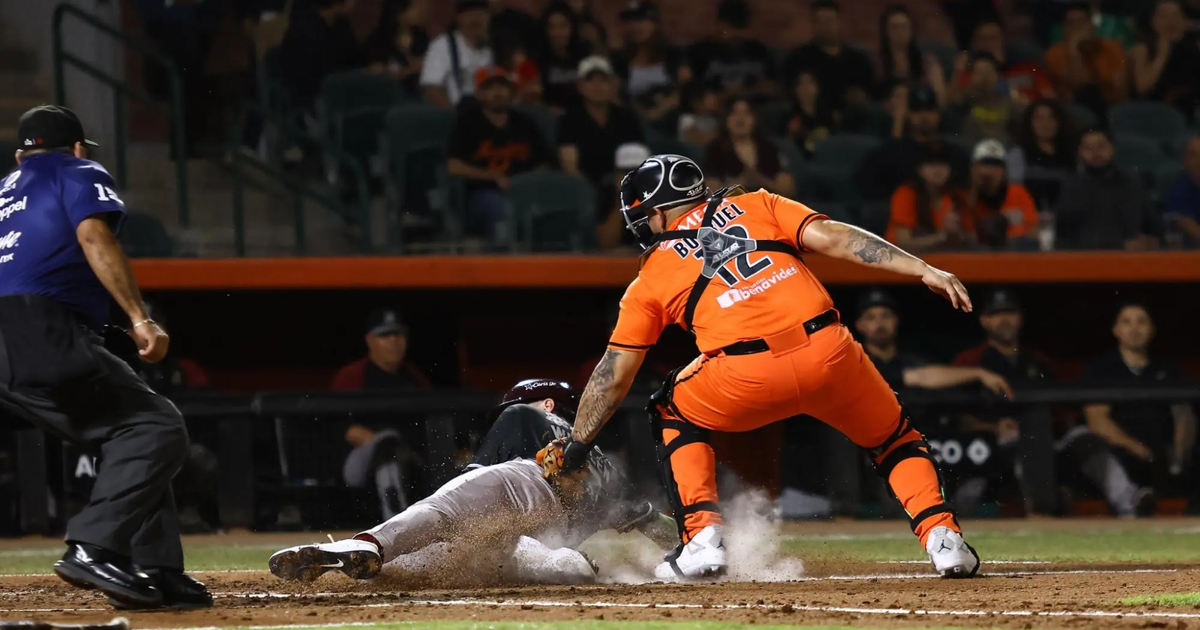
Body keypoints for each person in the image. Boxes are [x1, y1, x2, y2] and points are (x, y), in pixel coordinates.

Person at [540, 153, 982, 580]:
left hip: (744, 374)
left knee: (671, 409)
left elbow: (614, 375)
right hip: (829, 350)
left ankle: (702, 540)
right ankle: (944, 541)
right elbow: (838, 239)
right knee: (895, 440)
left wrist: (578, 446)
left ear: (656, 214)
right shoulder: (759, 203)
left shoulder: (651, 274)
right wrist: (921, 268)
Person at [0, 106, 210, 609]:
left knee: (126, 432)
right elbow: (95, 236)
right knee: (156, 427)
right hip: (41, 326)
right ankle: (94, 548)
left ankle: (155, 569)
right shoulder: (77, 170)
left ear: (20, 155)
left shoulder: (4, 191)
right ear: (76, 148)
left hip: (9, 341)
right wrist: (139, 317)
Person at [268, 380, 677, 584]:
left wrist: (465, 485)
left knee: (438, 515)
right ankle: (568, 567)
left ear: (548, 403)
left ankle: (364, 546)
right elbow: (657, 525)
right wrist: (695, 546)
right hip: (545, 535)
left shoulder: (529, 415)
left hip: (523, 487)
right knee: (474, 560)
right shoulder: (610, 470)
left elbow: (478, 475)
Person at [953, 290, 1151, 517]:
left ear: (1020, 318)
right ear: (984, 320)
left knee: (1085, 439)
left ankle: (1130, 502)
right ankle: (1040, 512)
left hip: (1048, 441)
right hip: (994, 445)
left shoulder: (1040, 361)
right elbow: (959, 416)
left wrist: (1060, 426)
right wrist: (992, 427)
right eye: (996, 314)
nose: (1004, 319)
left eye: (1010, 312)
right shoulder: (970, 361)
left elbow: (1063, 412)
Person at [1082, 303, 1197, 498]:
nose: (1134, 329)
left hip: (1164, 456)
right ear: (1116, 330)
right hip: (1123, 453)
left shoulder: (1168, 369)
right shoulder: (1102, 369)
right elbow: (1097, 420)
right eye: (1126, 322)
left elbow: (1184, 416)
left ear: (1152, 330)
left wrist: (1178, 455)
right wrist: (1137, 449)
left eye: (1141, 322)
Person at [447, 67, 551, 242]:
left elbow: (543, 164)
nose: (498, 93)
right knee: (498, 208)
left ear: (511, 91)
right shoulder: (467, 124)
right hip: (482, 196)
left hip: (524, 191)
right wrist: (491, 176)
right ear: (479, 94)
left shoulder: (525, 122)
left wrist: (526, 183)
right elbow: (453, 166)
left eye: (503, 87)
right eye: (490, 88)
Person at [857, 289, 1011, 397]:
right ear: (860, 325)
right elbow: (921, 377)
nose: (879, 324)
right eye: (871, 318)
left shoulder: (911, 360)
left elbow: (931, 376)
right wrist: (978, 373)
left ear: (896, 321)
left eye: (886, 316)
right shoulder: (856, 361)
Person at [557, 56, 645, 213]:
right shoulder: (569, 120)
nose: (597, 86)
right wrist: (590, 192)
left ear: (612, 85)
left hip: (624, 185)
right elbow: (570, 166)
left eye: (603, 80)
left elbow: (639, 158)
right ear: (580, 86)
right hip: (587, 190)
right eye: (590, 80)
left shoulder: (627, 118)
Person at [856, 85, 971, 201]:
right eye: (917, 111)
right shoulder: (891, 152)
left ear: (939, 115)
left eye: (929, 110)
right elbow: (867, 184)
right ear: (908, 115)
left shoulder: (954, 154)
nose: (924, 116)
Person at [1056, 129, 1161, 250]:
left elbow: (1154, 225)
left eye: (1101, 146)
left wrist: (1150, 240)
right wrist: (1121, 245)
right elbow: (1069, 237)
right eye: (1089, 147)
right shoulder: (1072, 188)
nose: (1096, 152)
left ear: (1112, 148)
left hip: (1135, 259)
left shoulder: (1131, 183)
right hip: (1089, 259)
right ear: (1080, 152)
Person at [783, 0, 876, 109]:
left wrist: (861, 97)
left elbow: (871, 92)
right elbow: (789, 93)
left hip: (853, 116)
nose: (825, 27)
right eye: (819, 22)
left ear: (839, 22)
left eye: (829, 21)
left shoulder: (858, 59)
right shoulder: (799, 58)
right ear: (813, 24)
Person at [278, 0, 365, 112]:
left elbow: (356, 60)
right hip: (312, 100)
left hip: (342, 89)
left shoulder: (341, 25)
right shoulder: (303, 30)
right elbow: (308, 78)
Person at [1043, 1, 1128, 113]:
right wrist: (1074, 50)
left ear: (1091, 26)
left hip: (1111, 108)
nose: (1077, 28)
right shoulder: (1053, 55)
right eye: (1071, 24)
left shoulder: (1112, 48)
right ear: (1064, 29)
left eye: (1081, 22)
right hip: (1074, 110)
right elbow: (1079, 84)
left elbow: (1120, 94)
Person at [886, 143, 972, 251]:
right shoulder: (906, 194)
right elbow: (902, 243)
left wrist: (956, 234)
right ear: (920, 170)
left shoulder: (956, 196)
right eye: (931, 165)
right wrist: (941, 237)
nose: (937, 170)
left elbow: (972, 237)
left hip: (942, 258)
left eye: (942, 164)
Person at [687, 0, 778, 101]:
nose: (733, 35)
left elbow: (772, 88)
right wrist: (726, 95)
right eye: (728, 29)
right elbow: (692, 95)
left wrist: (745, 92)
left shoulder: (759, 51)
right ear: (718, 25)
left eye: (738, 30)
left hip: (754, 109)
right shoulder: (699, 53)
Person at [703, 99, 796, 197]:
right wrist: (740, 183)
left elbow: (788, 189)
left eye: (746, 113)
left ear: (754, 119)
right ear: (726, 119)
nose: (740, 118)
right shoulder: (715, 149)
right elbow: (711, 191)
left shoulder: (768, 148)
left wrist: (762, 181)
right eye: (734, 113)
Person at [951, 18, 1055, 103]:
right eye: (983, 39)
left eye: (993, 38)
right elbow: (953, 102)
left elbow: (1050, 102)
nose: (988, 44)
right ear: (974, 44)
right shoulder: (967, 74)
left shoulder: (1029, 69)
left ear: (1003, 42)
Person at [962, 139, 1039, 249]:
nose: (989, 171)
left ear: (1004, 170)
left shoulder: (1017, 192)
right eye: (984, 164)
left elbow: (1034, 232)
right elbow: (967, 237)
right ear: (973, 169)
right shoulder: (964, 196)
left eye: (996, 165)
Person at [1130, 0, 1200, 118]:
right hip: (1156, 112)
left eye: (1175, 15)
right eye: (1163, 16)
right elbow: (1142, 88)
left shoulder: (1195, 46)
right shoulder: (1143, 49)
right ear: (1153, 21)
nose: (1171, 22)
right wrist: (1162, 55)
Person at [332, 309, 431, 391]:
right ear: (369, 340)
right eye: (384, 335)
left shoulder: (416, 376)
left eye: (398, 334)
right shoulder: (351, 376)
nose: (393, 340)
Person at [419, 0, 494, 109]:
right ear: (458, 18)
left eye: (481, 14)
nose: (476, 18)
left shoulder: (497, 46)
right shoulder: (442, 46)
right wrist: (454, 115)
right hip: (457, 112)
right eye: (469, 14)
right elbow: (431, 88)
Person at [1006, 99, 1076, 210]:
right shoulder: (1018, 155)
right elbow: (1014, 195)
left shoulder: (1072, 155)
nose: (1045, 123)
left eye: (1051, 118)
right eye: (1039, 118)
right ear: (1029, 123)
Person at [612, 1, 688, 103]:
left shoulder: (674, 55)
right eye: (629, 21)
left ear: (655, 24)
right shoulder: (618, 60)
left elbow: (682, 90)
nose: (634, 26)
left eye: (640, 20)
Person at [876, 4, 946, 102]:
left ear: (911, 30)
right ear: (885, 31)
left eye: (903, 27)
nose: (899, 32)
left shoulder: (926, 61)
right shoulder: (876, 62)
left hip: (920, 108)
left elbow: (939, 96)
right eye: (894, 27)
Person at [954, 53, 1022, 147]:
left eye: (988, 72)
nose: (985, 78)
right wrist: (958, 73)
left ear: (997, 75)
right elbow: (951, 101)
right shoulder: (966, 99)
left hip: (1002, 151)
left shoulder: (1007, 102)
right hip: (971, 149)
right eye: (979, 72)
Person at [364, 0, 429, 95]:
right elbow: (374, 69)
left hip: (419, 94)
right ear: (399, 14)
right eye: (414, 8)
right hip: (387, 93)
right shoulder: (379, 39)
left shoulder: (422, 36)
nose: (421, 12)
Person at [535, 2, 590, 112]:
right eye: (551, 27)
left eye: (562, 26)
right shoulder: (537, 60)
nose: (557, 33)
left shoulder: (586, 56)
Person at [785, 70, 837, 158]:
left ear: (817, 87)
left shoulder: (829, 114)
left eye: (809, 83)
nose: (805, 88)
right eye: (801, 84)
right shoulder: (789, 116)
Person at [1163, 136, 1200, 247]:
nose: (1199, 160)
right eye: (1194, 155)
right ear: (1185, 160)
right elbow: (1193, 230)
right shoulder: (1178, 191)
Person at [677, 82, 724, 147]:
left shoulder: (712, 119)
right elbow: (697, 142)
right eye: (710, 98)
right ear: (696, 101)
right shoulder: (687, 119)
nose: (715, 100)